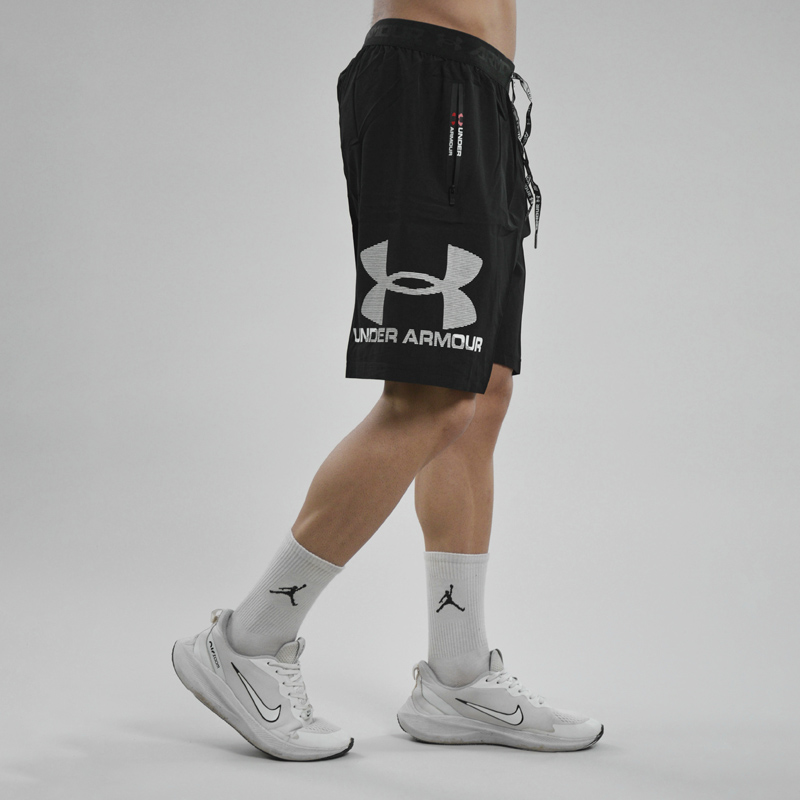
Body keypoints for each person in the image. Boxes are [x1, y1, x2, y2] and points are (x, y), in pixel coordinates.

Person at [172, 0, 603, 761]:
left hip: (483, 91)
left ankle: (457, 677)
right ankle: (247, 642)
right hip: (428, 85)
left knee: (481, 395)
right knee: (428, 401)